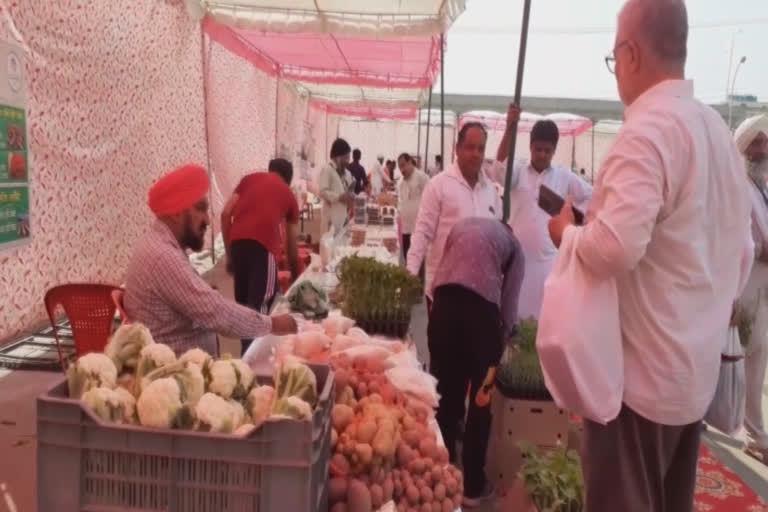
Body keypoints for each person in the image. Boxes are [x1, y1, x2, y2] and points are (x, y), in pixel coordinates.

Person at [545, 2, 753, 510]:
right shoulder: (719, 135)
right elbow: (742, 250)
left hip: (637, 385)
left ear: (631, 53)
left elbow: (614, 248)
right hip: (690, 378)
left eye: (615, 58)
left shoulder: (648, 130)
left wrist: (566, 235)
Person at [124, 164, 298, 356]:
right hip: (183, 372)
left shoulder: (159, 244)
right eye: (200, 209)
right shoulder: (162, 257)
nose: (207, 220)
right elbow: (218, 313)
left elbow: (206, 305)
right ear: (175, 213)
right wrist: (275, 323)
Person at [428, 217, 525, 507]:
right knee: (482, 402)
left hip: (443, 308)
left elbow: (442, 271)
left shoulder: (463, 226)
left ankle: (437, 476)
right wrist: (504, 337)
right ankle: (472, 485)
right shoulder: (515, 248)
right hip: (481, 317)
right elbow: (509, 303)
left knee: (446, 394)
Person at [492, 111, 592, 319]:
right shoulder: (518, 171)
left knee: (546, 318)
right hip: (518, 260)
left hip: (549, 262)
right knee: (515, 318)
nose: (542, 155)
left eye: (547, 150)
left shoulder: (564, 176)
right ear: (530, 147)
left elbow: (592, 197)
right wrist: (510, 128)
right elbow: (498, 169)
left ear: (554, 150)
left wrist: (572, 215)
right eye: (538, 149)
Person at [406, 123, 502, 308]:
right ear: (457, 149)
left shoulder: (490, 191)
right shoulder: (438, 185)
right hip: (444, 291)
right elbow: (422, 234)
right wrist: (410, 275)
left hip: (481, 293)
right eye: (470, 147)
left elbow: (496, 240)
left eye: (481, 148)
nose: (476, 154)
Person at [220, 158, 300, 356]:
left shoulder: (249, 180)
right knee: (260, 310)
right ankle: (255, 362)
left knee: (245, 307)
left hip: (237, 244)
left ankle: (245, 357)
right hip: (263, 249)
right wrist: (298, 278)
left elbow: (225, 214)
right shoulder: (288, 195)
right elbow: (291, 247)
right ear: (288, 180)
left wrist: (230, 254)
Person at [734, 114, 768, 461]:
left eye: (764, 142)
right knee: (728, 357)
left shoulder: (762, 184)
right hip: (741, 284)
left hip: (762, 285)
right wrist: (761, 250)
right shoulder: (737, 187)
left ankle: (755, 435)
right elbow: (733, 239)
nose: (762, 149)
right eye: (755, 143)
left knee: (756, 360)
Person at [317, 138, 355, 235]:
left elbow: (348, 190)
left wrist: (351, 196)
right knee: (329, 248)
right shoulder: (327, 170)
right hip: (330, 219)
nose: (348, 161)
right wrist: (338, 197)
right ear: (338, 156)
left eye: (348, 158)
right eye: (346, 158)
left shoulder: (346, 172)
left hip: (343, 217)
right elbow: (322, 192)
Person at [397, 153, 429, 263]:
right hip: (406, 229)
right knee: (408, 259)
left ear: (410, 162)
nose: (402, 169)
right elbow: (401, 202)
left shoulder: (422, 177)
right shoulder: (401, 183)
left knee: (419, 262)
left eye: (403, 165)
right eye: (400, 166)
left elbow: (431, 200)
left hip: (419, 229)